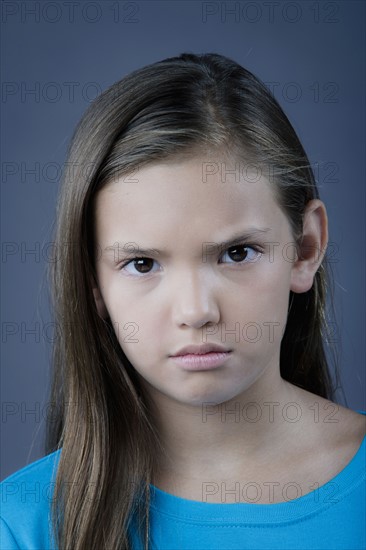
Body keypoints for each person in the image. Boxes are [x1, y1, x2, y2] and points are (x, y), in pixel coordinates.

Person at [1, 52, 365, 550]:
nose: (196, 312)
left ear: (305, 248)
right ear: (91, 278)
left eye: (237, 253)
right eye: (142, 264)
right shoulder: (21, 524)